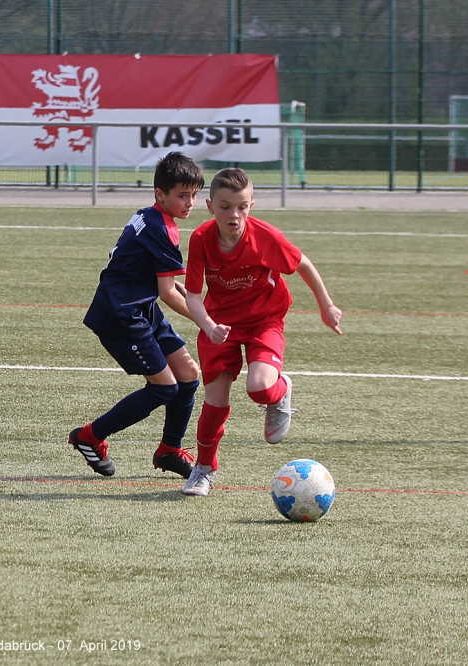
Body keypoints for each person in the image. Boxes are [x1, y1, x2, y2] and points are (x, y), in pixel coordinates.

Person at [181, 168, 342, 496]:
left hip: (264, 320)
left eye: (242, 207)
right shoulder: (201, 239)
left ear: (251, 206)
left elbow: (303, 264)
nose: (234, 215)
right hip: (220, 325)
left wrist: (326, 306)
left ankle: (280, 392)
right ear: (210, 207)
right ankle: (204, 469)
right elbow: (193, 296)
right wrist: (209, 326)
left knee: (259, 388)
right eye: (225, 207)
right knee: (214, 403)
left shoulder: (265, 237)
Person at [69, 151, 204, 478]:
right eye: (182, 195)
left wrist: (200, 301)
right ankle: (90, 436)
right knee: (164, 388)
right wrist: (206, 322)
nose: (190, 203)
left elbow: (164, 281)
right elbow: (167, 292)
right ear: (161, 194)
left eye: (194, 195)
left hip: (141, 307)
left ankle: (169, 450)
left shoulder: (150, 215)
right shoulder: (163, 229)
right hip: (122, 314)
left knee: (188, 374)